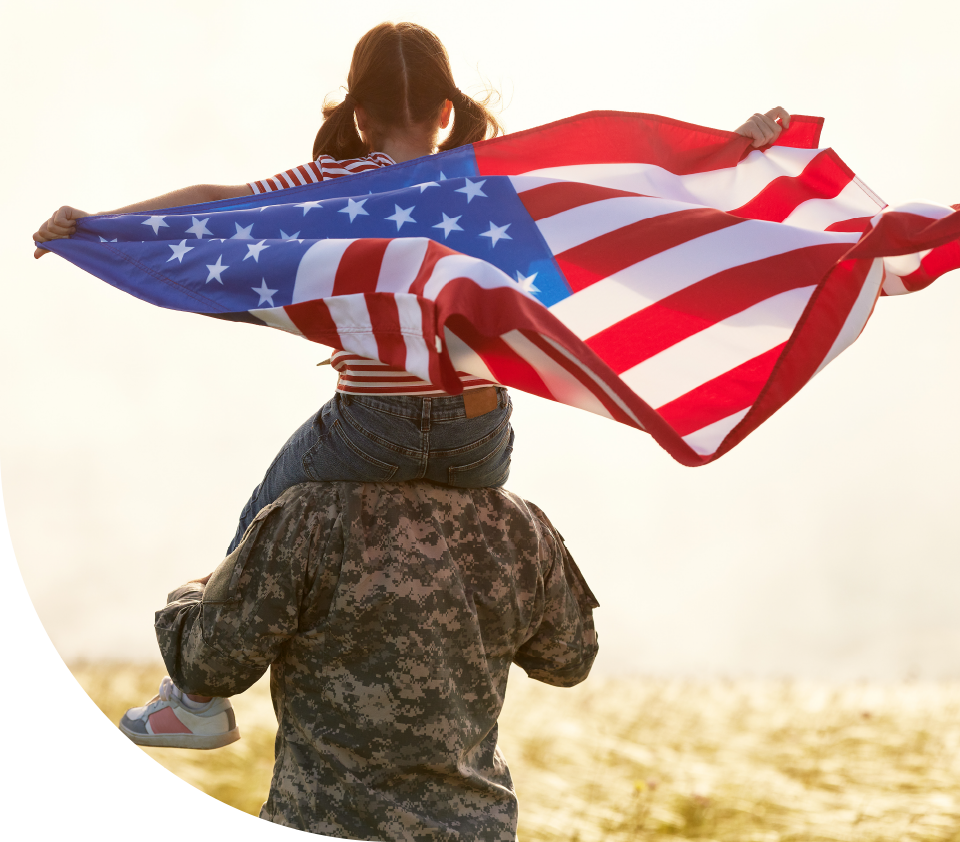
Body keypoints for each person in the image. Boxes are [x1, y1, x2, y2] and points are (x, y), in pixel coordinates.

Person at [32, 15, 789, 726]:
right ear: (447, 111)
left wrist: (98, 226)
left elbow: (212, 206)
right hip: (480, 441)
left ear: (360, 115)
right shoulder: (492, 185)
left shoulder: (336, 184)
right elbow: (635, 194)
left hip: (373, 430)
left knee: (263, 512)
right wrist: (736, 146)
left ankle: (191, 700)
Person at [124, 480, 600, 840]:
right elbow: (568, 660)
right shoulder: (521, 525)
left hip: (327, 822)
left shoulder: (309, 513)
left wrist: (192, 594)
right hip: (476, 828)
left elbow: (211, 666)